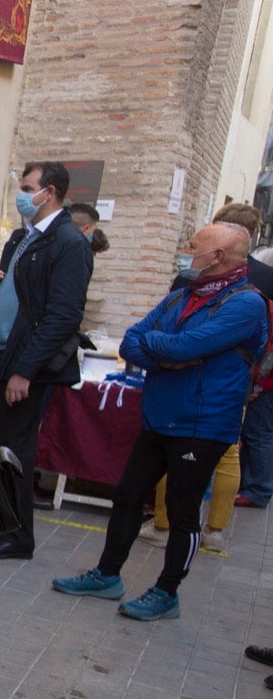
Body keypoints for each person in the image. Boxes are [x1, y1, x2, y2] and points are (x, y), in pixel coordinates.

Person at [53, 222, 268, 620]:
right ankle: (107, 574)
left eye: (195, 246)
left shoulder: (245, 303)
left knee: (182, 511)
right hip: (160, 416)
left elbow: (188, 344)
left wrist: (168, 350)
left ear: (218, 256)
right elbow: (134, 338)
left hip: (203, 423)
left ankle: (167, 592)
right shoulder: (183, 294)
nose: (188, 251)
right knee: (128, 496)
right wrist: (168, 355)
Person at [0, 161, 94, 559]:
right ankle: (2, 525)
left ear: (48, 191)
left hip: (23, 364)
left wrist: (25, 371)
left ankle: (18, 537)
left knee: (15, 447)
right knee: (1, 444)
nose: (21, 194)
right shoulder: (23, 238)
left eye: (27, 187)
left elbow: (62, 316)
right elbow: (17, 293)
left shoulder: (68, 243)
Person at [138, 203, 273, 543]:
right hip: (235, 383)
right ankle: (215, 528)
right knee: (228, 453)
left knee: (177, 450)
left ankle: (164, 525)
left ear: (218, 247)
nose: (189, 252)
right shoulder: (265, 277)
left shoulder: (196, 278)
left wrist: (159, 347)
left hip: (194, 384)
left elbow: (167, 334)